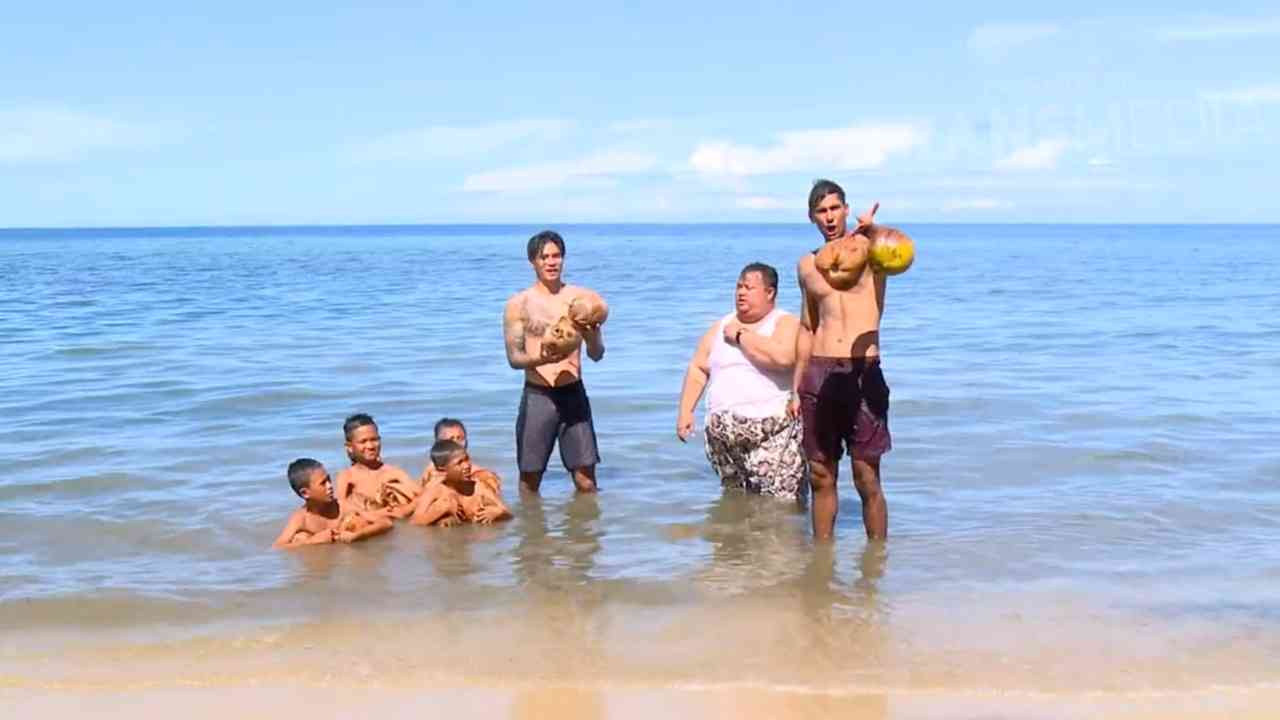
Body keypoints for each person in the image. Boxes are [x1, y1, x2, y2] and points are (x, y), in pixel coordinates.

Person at [791, 179, 896, 540]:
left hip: (862, 369)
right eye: (821, 211)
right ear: (812, 217)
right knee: (821, 475)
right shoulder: (807, 265)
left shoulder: (872, 252)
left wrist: (874, 230)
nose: (830, 217)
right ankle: (821, 563)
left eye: (835, 208)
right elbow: (807, 327)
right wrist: (796, 388)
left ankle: (876, 564)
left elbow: (903, 253)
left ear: (846, 210)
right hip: (819, 372)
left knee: (867, 476)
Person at [677, 262, 805, 499]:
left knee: (779, 505)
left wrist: (740, 336)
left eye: (749, 288)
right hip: (724, 439)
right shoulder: (721, 326)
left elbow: (783, 358)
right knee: (736, 502)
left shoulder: (785, 323)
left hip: (771, 434)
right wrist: (686, 411)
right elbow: (698, 368)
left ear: (770, 292)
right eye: (739, 287)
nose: (741, 293)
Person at [502, 230, 605, 494]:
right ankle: (530, 523)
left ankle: (589, 522)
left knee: (586, 481)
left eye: (556, 256)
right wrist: (542, 357)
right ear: (532, 262)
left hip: (573, 392)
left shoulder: (581, 300)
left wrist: (593, 335)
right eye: (544, 257)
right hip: (538, 395)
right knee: (530, 480)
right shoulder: (519, 304)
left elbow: (596, 354)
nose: (551, 262)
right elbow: (514, 358)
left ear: (563, 258)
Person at [272, 458, 394, 549]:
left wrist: (359, 535)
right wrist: (312, 541)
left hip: (346, 559)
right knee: (301, 537)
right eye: (323, 483)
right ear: (305, 493)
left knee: (357, 521)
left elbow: (386, 523)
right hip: (322, 567)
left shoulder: (342, 507)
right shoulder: (301, 518)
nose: (330, 486)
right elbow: (278, 547)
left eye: (329, 480)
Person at [335, 413, 420, 519]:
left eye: (374, 439)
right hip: (368, 522)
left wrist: (404, 510)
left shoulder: (393, 472)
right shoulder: (347, 476)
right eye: (363, 442)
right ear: (349, 447)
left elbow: (421, 496)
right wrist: (378, 514)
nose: (370, 446)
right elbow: (340, 508)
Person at [410, 440, 512, 527]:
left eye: (467, 459)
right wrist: (441, 510)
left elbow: (508, 513)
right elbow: (414, 522)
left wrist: (497, 512)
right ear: (442, 470)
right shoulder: (436, 491)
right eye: (459, 463)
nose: (467, 466)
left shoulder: (478, 487)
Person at [420, 417, 502, 493]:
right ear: (438, 443)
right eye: (451, 439)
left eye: (460, 438)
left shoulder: (480, 474)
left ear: (467, 441)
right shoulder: (431, 471)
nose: (456, 443)